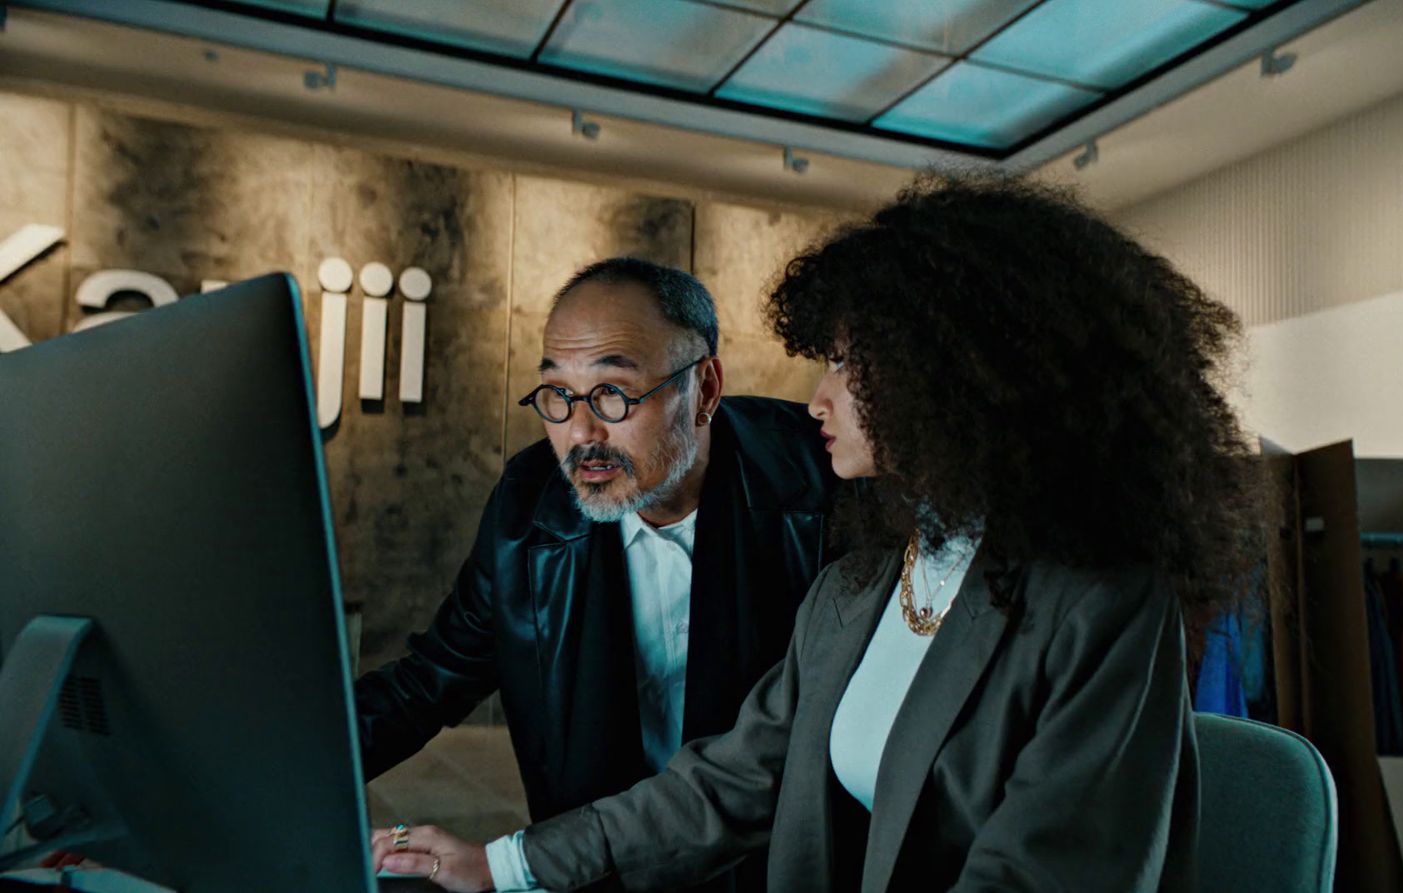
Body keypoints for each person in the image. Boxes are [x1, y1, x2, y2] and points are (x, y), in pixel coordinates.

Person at [374, 175, 1264, 891]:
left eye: (845, 360)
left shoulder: (1102, 605)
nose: (817, 397)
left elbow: (1042, 869)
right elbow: (729, 780)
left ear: (955, 375)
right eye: (559, 394)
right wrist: (503, 864)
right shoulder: (862, 584)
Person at [354, 258, 843, 893]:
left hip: (773, 865)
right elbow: (427, 683)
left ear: (706, 389)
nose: (581, 432)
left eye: (612, 393)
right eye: (557, 395)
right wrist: (262, 776)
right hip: (592, 865)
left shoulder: (819, 485)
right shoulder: (529, 506)